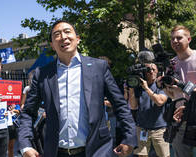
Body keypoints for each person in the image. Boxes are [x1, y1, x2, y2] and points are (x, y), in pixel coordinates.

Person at [18, 20, 137, 157]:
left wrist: (129, 138)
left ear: (78, 39)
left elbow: (120, 105)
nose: (63, 37)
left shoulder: (99, 67)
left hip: (97, 151)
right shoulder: (42, 74)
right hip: (56, 152)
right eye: (57, 34)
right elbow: (28, 112)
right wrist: (25, 144)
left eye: (68, 32)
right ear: (52, 44)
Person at [162, 25, 196, 157]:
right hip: (179, 121)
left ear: (189, 39)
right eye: (172, 39)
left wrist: (182, 86)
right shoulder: (171, 63)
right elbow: (171, 95)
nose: (175, 41)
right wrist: (164, 86)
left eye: (179, 38)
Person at [128, 63, 169, 157]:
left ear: (157, 71)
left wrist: (146, 88)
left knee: (164, 155)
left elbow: (160, 101)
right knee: (142, 155)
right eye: (148, 70)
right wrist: (131, 89)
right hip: (142, 128)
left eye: (153, 69)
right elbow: (133, 106)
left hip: (159, 129)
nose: (151, 71)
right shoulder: (138, 86)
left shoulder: (161, 85)